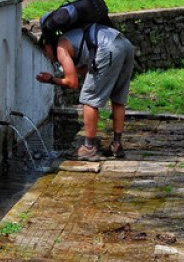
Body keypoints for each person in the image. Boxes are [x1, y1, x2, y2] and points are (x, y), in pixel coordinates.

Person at [36, 23, 135, 161]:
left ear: (47, 46)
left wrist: (52, 79)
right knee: (118, 97)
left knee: (88, 99)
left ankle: (89, 148)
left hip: (108, 48)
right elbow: (86, 70)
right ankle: (116, 145)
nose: (46, 57)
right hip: (124, 44)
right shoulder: (71, 39)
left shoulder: (60, 48)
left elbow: (72, 83)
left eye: (44, 53)